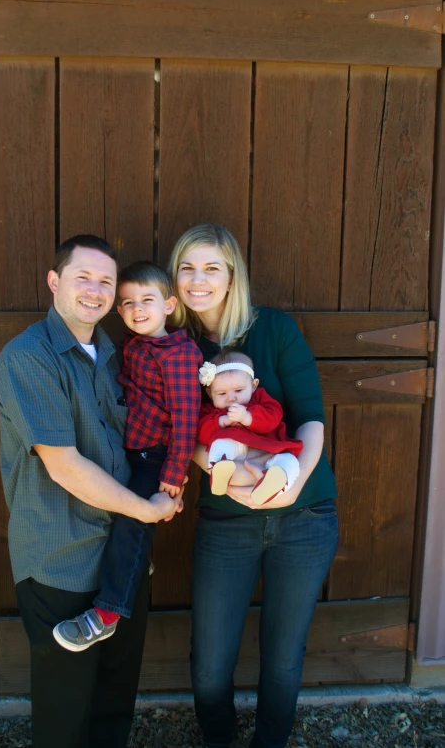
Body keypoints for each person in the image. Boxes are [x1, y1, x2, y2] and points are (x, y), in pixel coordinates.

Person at [0, 236, 183, 748]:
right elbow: (66, 467)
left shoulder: (119, 357)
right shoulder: (27, 358)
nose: (96, 291)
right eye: (83, 277)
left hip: (122, 560)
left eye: (106, 282)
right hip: (62, 562)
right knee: (65, 716)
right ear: (55, 282)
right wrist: (148, 509)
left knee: (113, 707)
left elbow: (155, 431)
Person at [168, 224, 339, 748]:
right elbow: (177, 432)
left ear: (232, 275)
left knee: (284, 660)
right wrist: (226, 474)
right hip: (226, 520)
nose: (199, 281)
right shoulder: (175, 347)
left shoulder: (276, 330)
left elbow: (310, 416)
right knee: (210, 668)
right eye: (187, 268)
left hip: (304, 518)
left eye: (211, 268)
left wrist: (292, 480)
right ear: (175, 278)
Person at [53, 261, 202, 652]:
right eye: (128, 302)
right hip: (128, 451)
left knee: (129, 525)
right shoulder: (132, 346)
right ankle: (135, 565)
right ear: (118, 311)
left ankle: (106, 614)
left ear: (169, 305)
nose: (138, 309)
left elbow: (187, 418)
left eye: (147, 300)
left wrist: (174, 471)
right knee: (111, 512)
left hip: (156, 458)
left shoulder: (178, 354)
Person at [197, 351, 302, 503]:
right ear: (209, 392)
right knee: (221, 442)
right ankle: (219, 472)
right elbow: (200, 432)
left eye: (239, 391)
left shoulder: (259, 400)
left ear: (253, 386)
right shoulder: (212, 412)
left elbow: (274, 417)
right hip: (235, 454)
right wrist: (221, 421)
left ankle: (272, 484)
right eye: (221, 393)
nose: (231, 398)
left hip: (269, 448)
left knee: (291, 462)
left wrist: (248, 417)